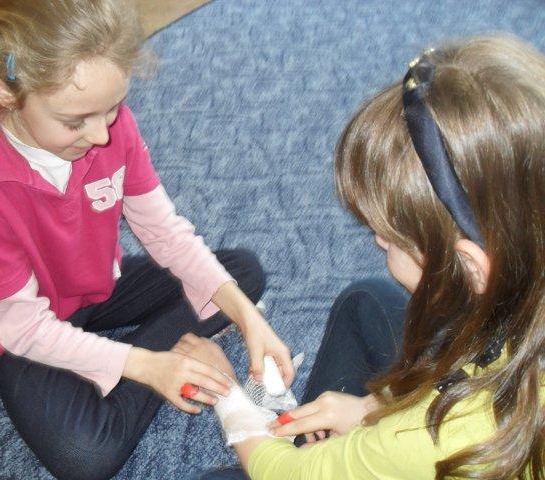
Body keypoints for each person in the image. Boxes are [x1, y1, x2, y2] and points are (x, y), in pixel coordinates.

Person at [0, 1, 294, 479]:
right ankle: (158, 359)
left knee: (241, 275)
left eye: (112, 109)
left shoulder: (110, 126)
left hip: (97, 286)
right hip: (22, 330)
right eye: (76, 121)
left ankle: (149, 357)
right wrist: (147, 366)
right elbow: (22, 327)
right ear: (6, 91)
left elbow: (165, 232)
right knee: (86, 459)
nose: (102, 135)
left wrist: (247, 318)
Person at [186, 35, 545, 479]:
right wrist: (369, 409)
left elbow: (287, 474)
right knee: (366, 301)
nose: (377, 240)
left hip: (434, 447)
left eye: (390, 238)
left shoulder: (434, 437)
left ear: (471, 266)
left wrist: (230, 398)